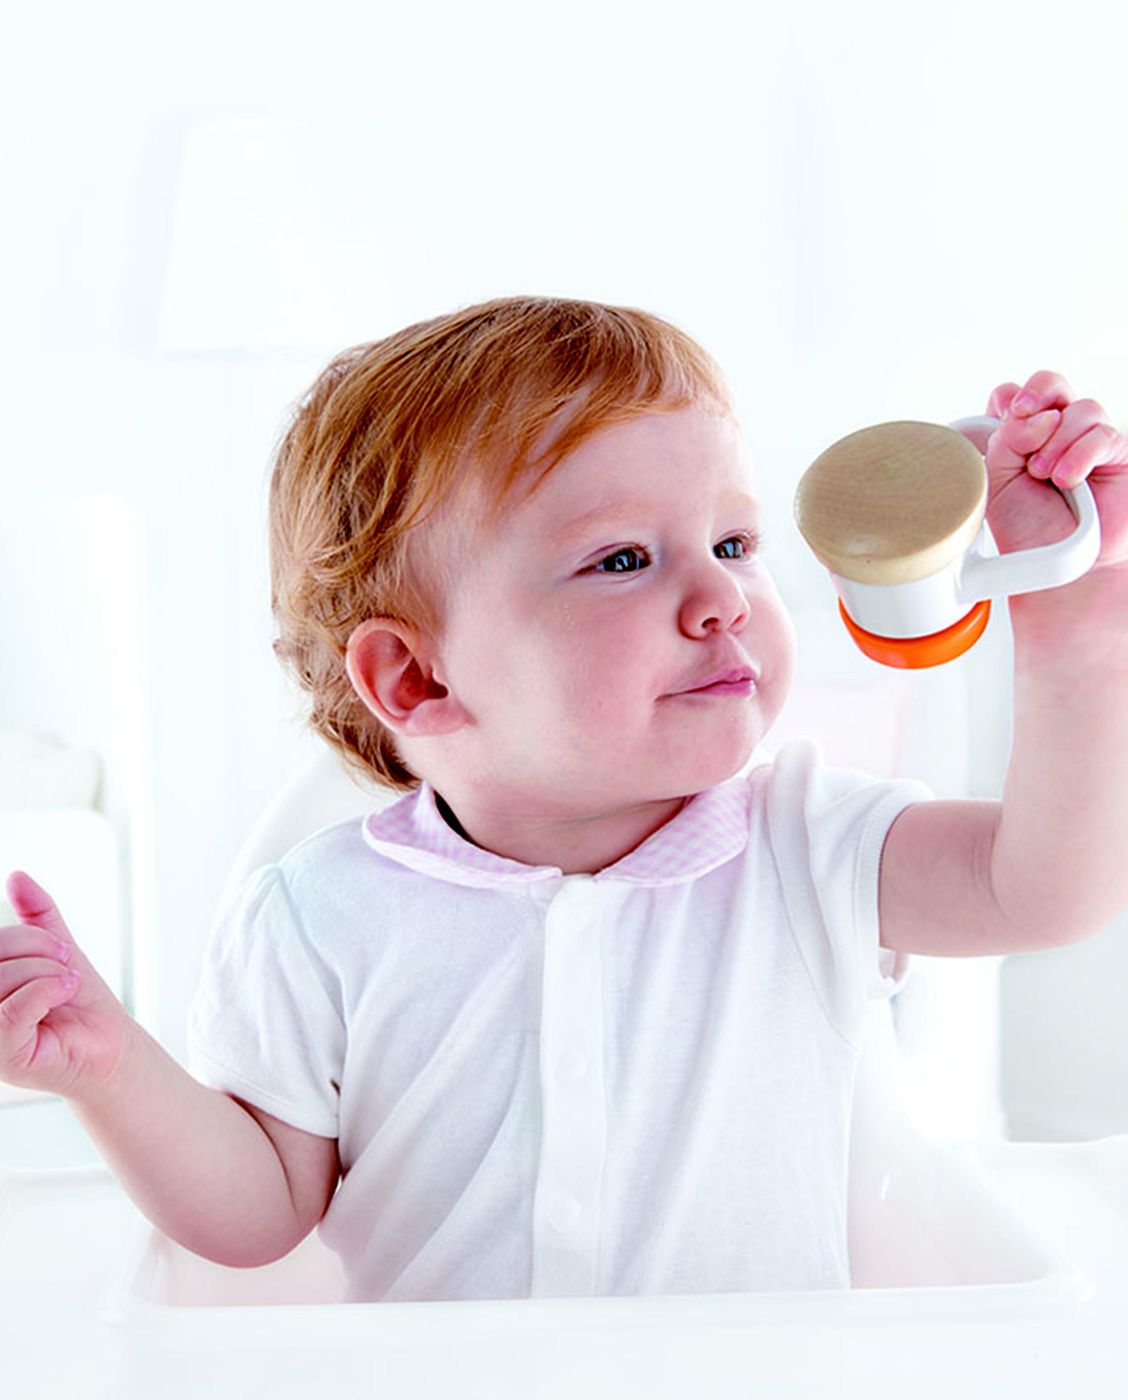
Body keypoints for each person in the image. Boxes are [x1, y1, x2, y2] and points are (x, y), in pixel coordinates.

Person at [3, 296, 1127, 1302]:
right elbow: (255, 1219)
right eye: (623, 559)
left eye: (733, 541)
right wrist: (109, 1066)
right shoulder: (316, 916)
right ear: (417, 678)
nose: (724, 597)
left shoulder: (810, 844)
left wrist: (1078, 633)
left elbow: (1043, 891)